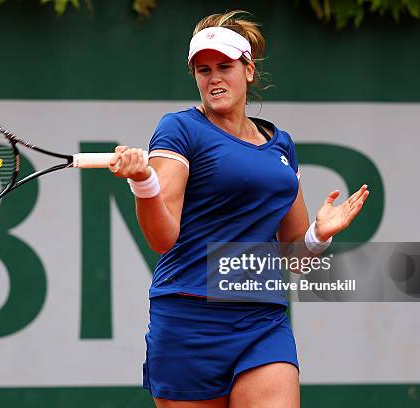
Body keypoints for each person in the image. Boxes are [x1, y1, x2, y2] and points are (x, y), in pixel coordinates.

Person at [109, 10, 369, 408]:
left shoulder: (280, 145)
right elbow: (162, 238)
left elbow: (294, 256)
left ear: (248, 70)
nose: (213, 79)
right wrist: (144, 182)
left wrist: (318, 235)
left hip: (262, 319)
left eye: (225, 67)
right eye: (203, 70)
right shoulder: (180, 130)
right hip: (189, 318)